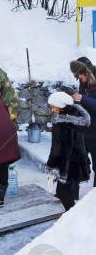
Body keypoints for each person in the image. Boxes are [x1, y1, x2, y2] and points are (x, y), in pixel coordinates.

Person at [43, 91, 90, 211]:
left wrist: (51, 166)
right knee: (68, 191)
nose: (52, 110)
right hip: (78, 162)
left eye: (54, 107)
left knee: (62, 192)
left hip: (67, 165)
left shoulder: (61, 124)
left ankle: (71, 217)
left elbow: (59, 149)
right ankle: (71, 216)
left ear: (62, 107)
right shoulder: (76, 117)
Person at [70, 56, 96, 186]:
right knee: (76, 162)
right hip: (83, 131)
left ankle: (93, 199)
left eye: (81, 74)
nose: (79, 77)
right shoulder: (83, 83)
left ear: (88, 72)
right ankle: (69, 194)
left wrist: (83, 99)